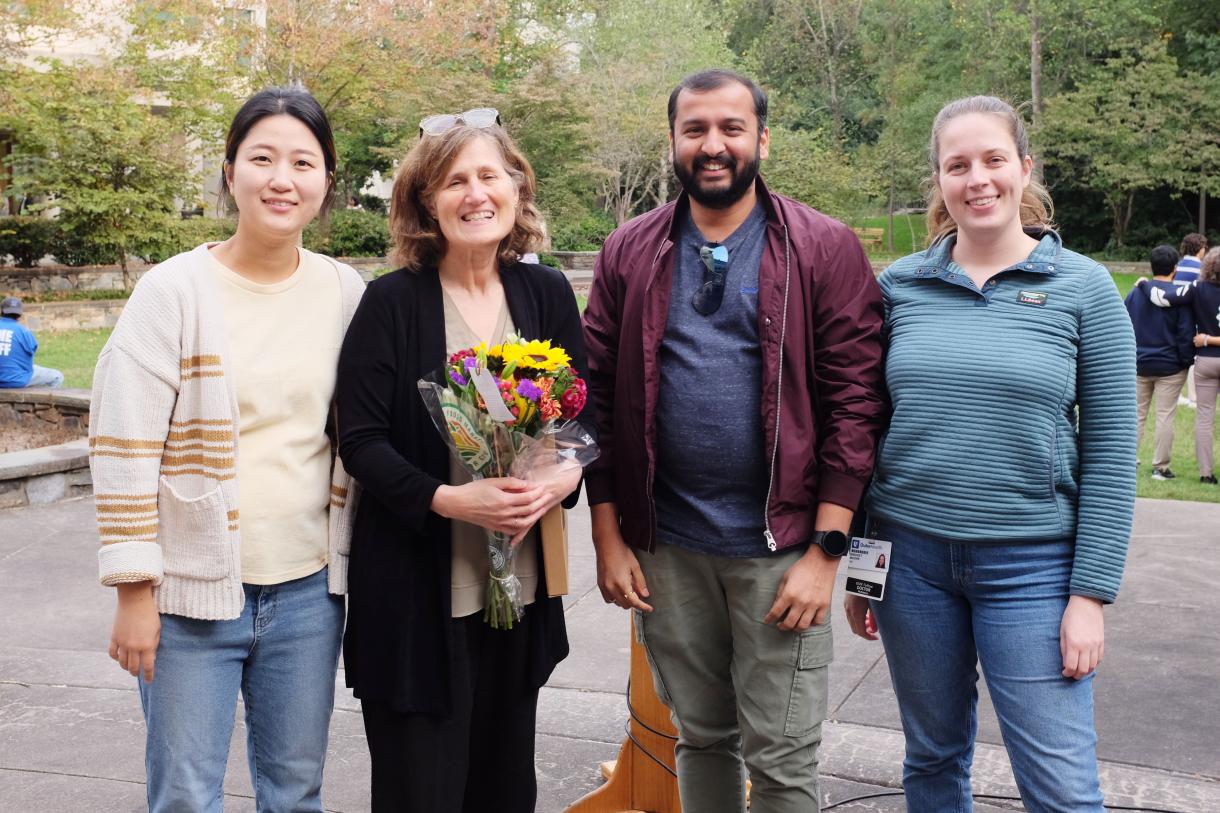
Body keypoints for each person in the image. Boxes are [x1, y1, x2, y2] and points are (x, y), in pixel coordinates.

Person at [583, 69, 886, 813]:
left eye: (731, 128)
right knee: (701, 735)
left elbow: (856, 405)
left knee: (782, 758)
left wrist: (826, 554)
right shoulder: (630, 250)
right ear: (673, 141)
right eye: (695, 130)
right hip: (668, 548)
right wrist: (608, 538)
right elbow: (597, 400)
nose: (712, 145)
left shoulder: (823, 247)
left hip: (781, 553)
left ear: (762, 139)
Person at [846, 95, 1137, 813]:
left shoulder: (1085, 289)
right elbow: (867, 432)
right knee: (933, 759)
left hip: (1033, 569)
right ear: (939, 181)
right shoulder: (898, 287)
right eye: (958, 165)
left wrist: (1090, 596)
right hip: (911, 564)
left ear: (1024, 168)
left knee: (1062, 788)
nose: (977, 178)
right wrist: (862, 568)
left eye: (993, 159)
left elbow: (1111, 454)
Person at [88, 87, 365, 811]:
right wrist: (133, 593)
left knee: (295, 792)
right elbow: (123, 445)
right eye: (262, 158)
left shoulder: (345, 292)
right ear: (229, 169)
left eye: (303, 162)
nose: (283, 179)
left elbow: (360, 435)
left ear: (326, 179)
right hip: (189, 597)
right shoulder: (173, 291)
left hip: (307, 594)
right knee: (185, 794)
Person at [336, 109, 592, 812]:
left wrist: (565, 474)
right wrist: (449, 500)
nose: (475, 194)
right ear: (427, 202)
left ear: (516, 188)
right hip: (419, 598)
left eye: (489, 176)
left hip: (520, 588)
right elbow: (361, 441)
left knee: (505, 789)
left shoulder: (544, 293)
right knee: (422, 792)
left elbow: (580, 414)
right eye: (454, 182)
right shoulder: (391, 303)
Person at [1138, 246, 1220, 484]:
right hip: (1176, 363)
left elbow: (1161, 298)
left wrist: (1143, 284)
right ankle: (1163, 467)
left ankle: (1206, 473)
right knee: (1168, 415)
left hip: (1204, 359)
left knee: (1204, 418)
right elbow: (1183, 327)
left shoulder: (1197, 288)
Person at [1124, 244, 1194, 480]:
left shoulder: (1135, 293)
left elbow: (1124, 325)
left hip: (1138, 363)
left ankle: (1128, 461)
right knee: (1165, 415)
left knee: (1136, 415)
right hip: (1170, 366)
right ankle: (1160, 467)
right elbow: (1185, 332)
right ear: (1175, 268)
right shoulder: (1179, 297)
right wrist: (1186, 361)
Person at [0, 296, 64, 388]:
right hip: (17, 380)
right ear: (20, 314)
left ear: (2, 311)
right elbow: (32, 350)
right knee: (57, 376)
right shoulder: (23, 331)